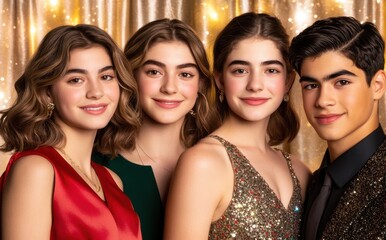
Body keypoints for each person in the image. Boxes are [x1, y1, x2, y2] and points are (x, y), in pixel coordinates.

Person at [164, 12, 311, 239]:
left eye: (271, 70)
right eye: (240, 70)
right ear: (220, 80)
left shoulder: (300, 172)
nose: (255, 85)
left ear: (288, 82)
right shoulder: (203, 163)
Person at [288, 16, 386, 239]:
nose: (323, 100)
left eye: (341, 82)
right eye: (311, 85)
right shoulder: (312, 183)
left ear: (378, 85)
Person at [0, 24, 142, 239]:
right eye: (76, 80)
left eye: (106, 77)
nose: (96, 92)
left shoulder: (112, 179)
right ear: (47, 93)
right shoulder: (35, 169)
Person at [92, 18, 214, 239]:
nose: (169, 87)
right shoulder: (93, 165)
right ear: (131, 76)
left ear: (201, 84)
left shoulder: (219, 161)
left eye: (185, 74)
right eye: (154, 72)